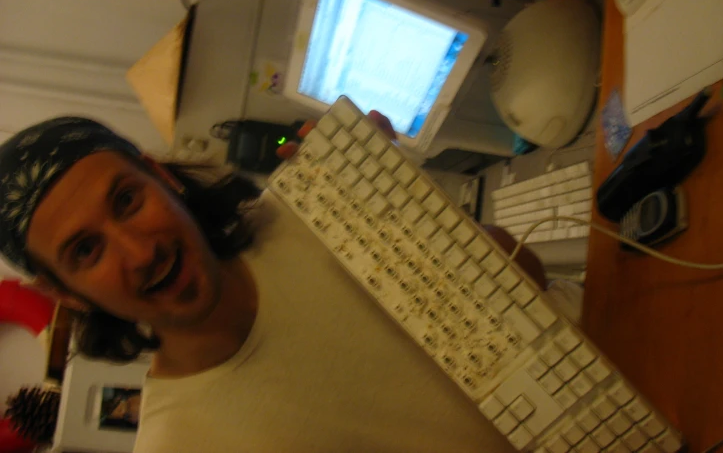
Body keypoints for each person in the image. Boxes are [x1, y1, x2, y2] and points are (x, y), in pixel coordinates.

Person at [0, 114, 578, 452]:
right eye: (86, 250)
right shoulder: (180, 444)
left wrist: (403, 199)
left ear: (160, 176)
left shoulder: (311, 213)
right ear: (68, 295)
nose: (140, 251)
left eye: (127, 200)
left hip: (602, 375)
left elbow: (526, 279)